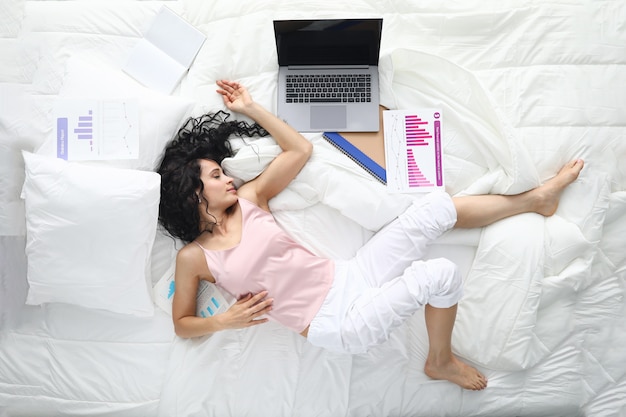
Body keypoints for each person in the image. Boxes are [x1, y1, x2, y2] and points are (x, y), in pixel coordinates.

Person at [156, 80, 584, 391]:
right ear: (194, 194)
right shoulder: (194, 257)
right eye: (215, 175)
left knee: (434, 208)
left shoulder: (251, 198)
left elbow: (299, 151)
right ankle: (440, 361)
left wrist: (251, 108)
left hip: (349, 276)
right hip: (336, 323)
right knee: (440, 274)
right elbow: (182, 325)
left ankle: (535, 201)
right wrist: (222, 321)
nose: (227, 177)